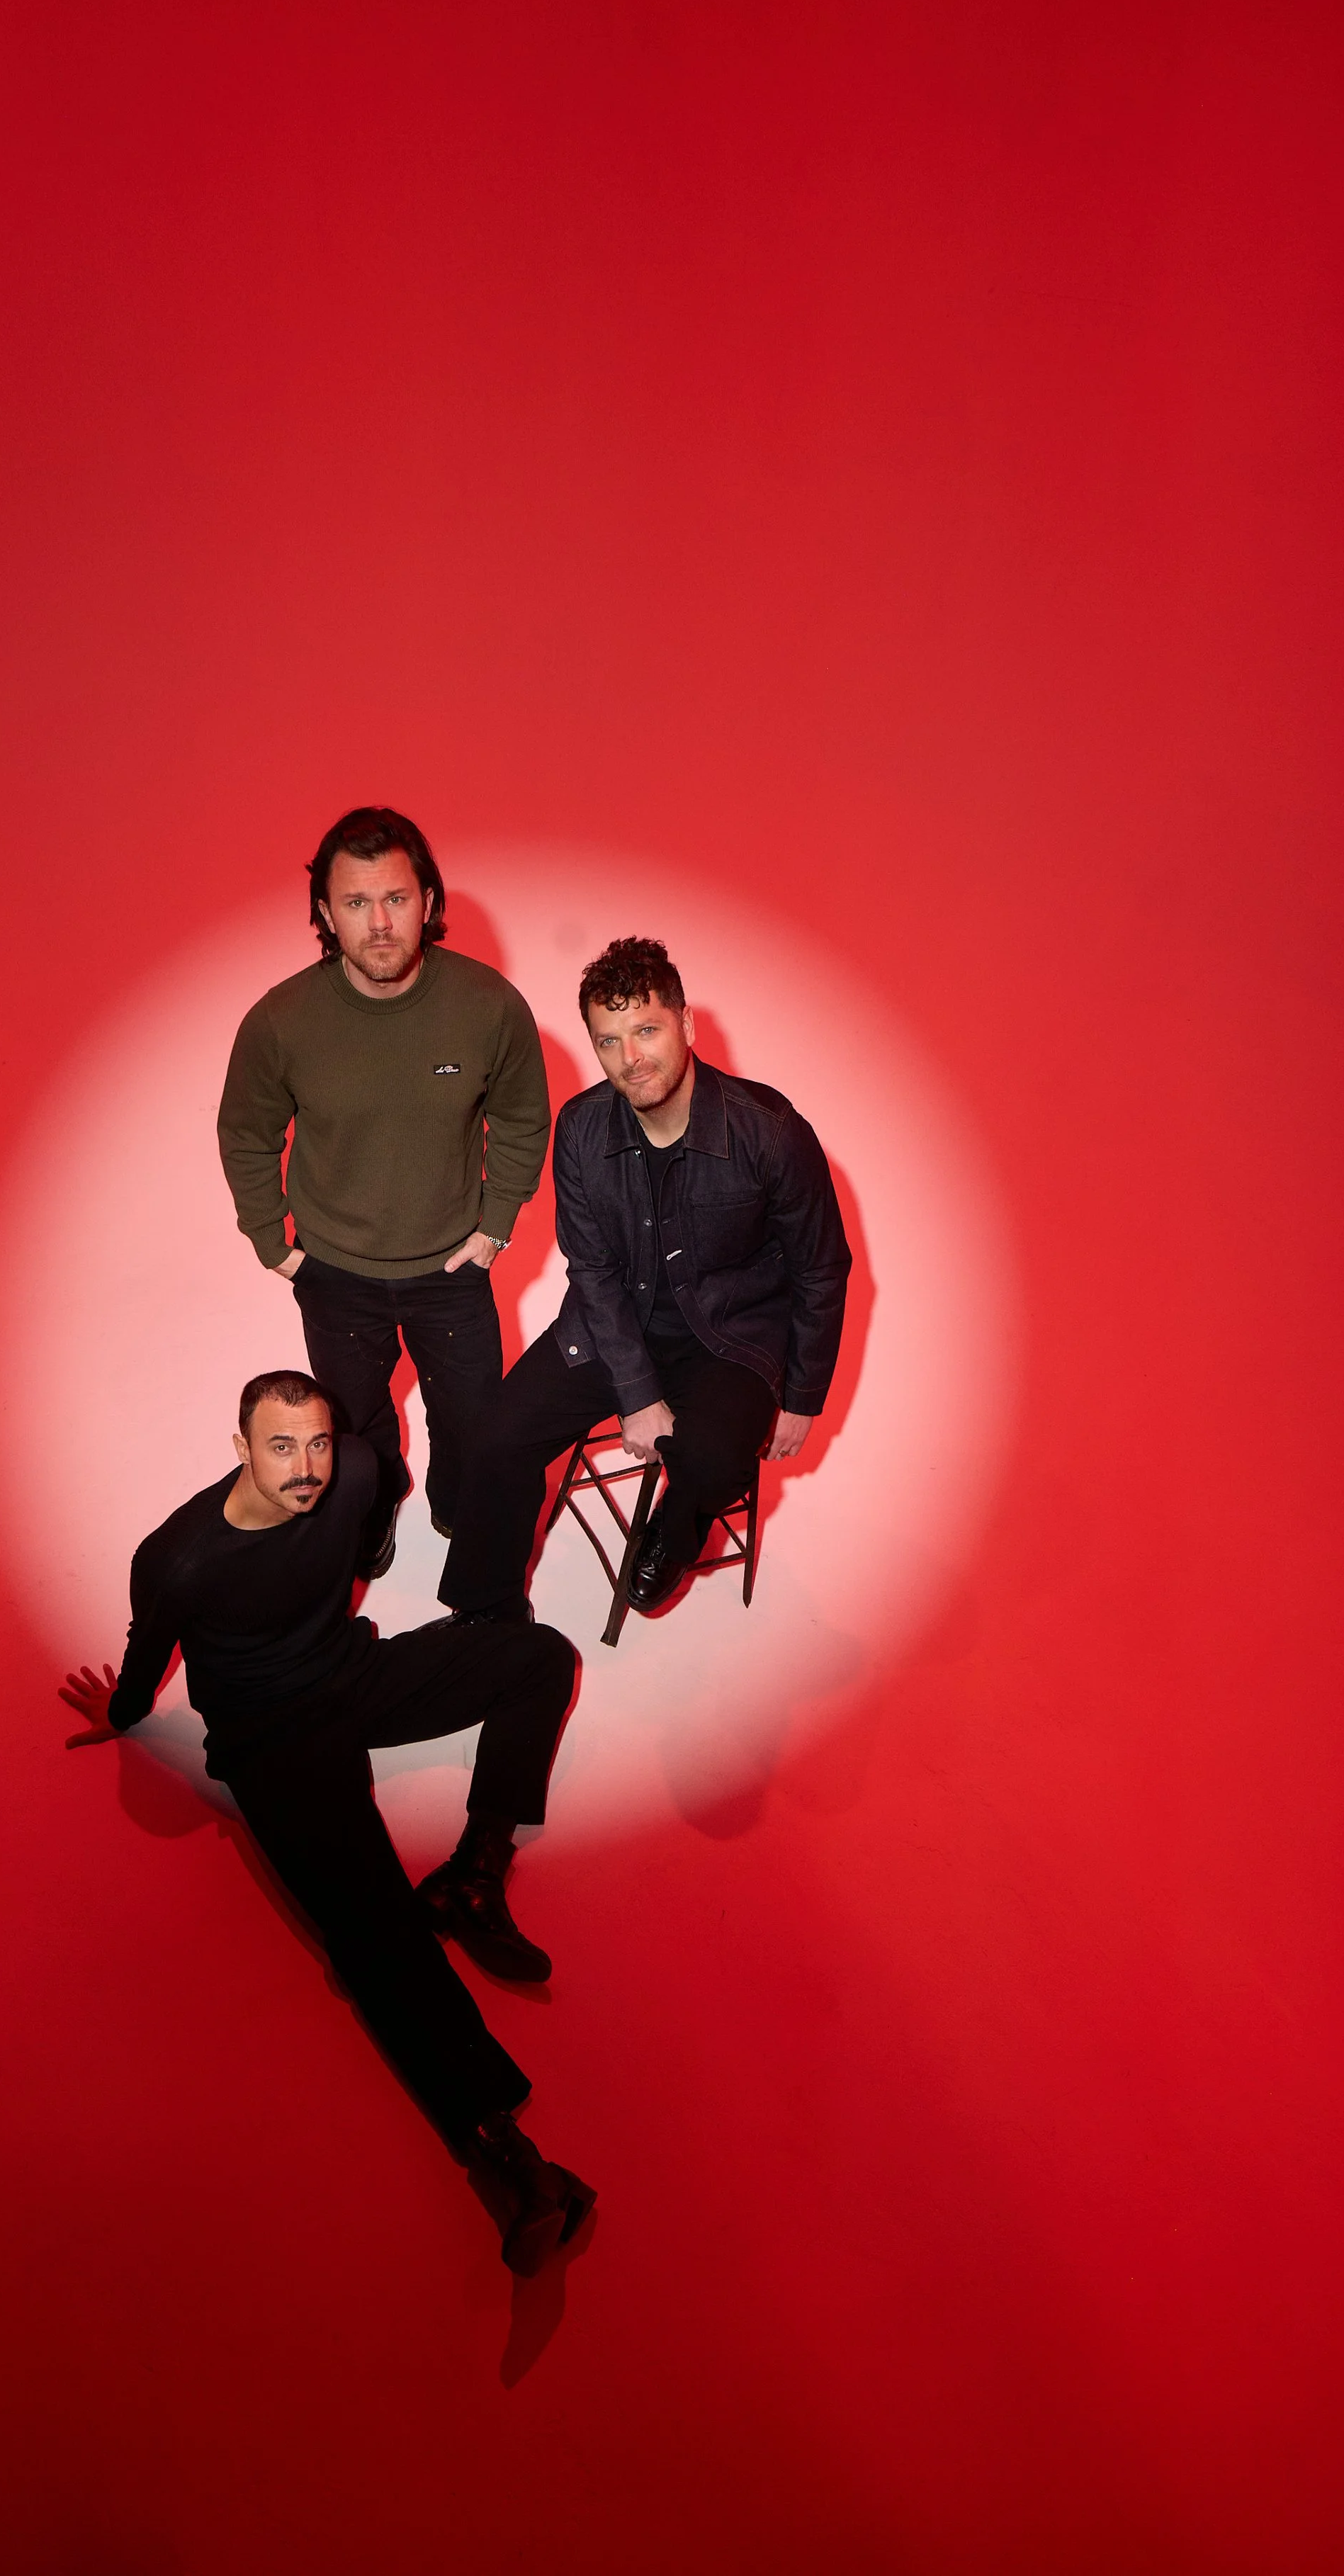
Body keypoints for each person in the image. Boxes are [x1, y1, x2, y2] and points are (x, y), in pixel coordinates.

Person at [56, 1368, 595, 2276]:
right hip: (270, 1740)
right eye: (280, 1447)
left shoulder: (354, 1470)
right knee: (374, 1930)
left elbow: (370, 1508)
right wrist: (119, 1711)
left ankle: (472, 1874)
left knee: (539, 1657)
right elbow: (146, 1660)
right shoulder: (179, 1558)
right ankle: (507, 2157)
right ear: (240, 1449)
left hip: (350, 1677)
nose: (305, 1467)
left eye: (315, 1443)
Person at [439, 937, 852, 1622]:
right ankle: (484, 1618)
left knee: (712, 1458)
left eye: (647, 1030)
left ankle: (674, 1529)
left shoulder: (770, 1131)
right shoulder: (581, 1129)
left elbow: (820, 1265)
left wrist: (804, 1396)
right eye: (609, 1040)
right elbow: (593, 1271)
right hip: (614, 1326)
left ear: (686, 1024)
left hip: (732, 1339)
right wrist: (638, 1394)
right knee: (496, 1437)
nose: (630, 1057)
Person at [216, 808, 550, 1577]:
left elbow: (523, 1118)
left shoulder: (488, 1004)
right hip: (334, 1269)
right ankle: (375, 1508)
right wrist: (272, 1241)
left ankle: (455, 1506)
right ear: (325, 913)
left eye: (396, 898)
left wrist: (496, 1224)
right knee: (355, 1424)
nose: (378, 923)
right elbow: (246, 1133)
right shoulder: (281, 1020)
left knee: (471, 1418)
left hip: (452, 1266)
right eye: (356, 902)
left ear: (428, 902)